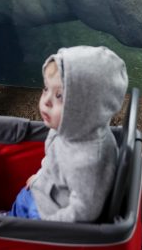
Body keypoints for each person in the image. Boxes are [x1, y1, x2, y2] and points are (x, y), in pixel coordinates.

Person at [9, 46, 128, 222]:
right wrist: (40, 177)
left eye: (60, 96)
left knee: (3, 228)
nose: (46, 101)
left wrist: (44, 226)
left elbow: (84, 211)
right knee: (16, 208)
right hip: (39, 194)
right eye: (46, 89)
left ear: (87, 108)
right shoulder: (66, 129)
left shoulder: (88, 161)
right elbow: (53, 162)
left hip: (46, 218)